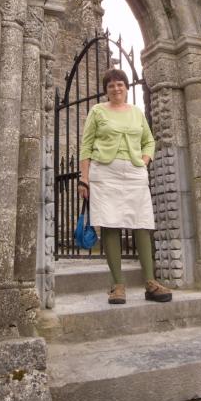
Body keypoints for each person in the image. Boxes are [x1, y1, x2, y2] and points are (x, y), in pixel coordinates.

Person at [77, 68, 172, 305]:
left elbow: (149, 140)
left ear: (126, 88)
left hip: (134, 172)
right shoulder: (97, 111)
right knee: (110, 224)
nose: (116, 88)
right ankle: (118, 285)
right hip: (105, 172)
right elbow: (86, 146)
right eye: (111, 85)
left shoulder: (137, 113)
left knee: (141, 223)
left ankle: (150, 282)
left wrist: (145, 161)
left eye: (120, 84)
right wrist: (84, 178)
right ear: (106, 90)